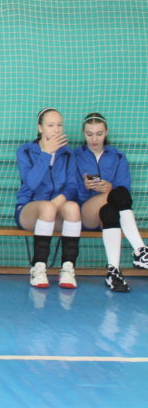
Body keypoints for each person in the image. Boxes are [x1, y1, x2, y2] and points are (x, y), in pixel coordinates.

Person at [75, 112, 148, 292]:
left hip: (111, 209)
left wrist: (109, 188)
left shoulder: (118, 156)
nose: (94, 139)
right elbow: (70, 190)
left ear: (106, 132)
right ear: (83, 133)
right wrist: (85, 186)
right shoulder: (75, 155)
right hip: (86, 212)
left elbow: (125, 191)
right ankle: (140, 250)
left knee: (112, 208)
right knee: (118, 194)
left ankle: (113, 273)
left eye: (99, 134)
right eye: (89, 134)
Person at [15, 108, 82, 289]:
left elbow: (73, 187)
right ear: (40, 128)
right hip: (29, 210)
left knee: (73, 208)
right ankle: (38, 268)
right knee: (47, 208)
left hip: (56, 210)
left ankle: (68, 268)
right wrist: (46, 154)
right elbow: (31, 183)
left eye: (59, 125)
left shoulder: (67, 153)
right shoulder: (25, 151)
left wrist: (57, 202)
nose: (56, 129)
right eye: (50, 125)